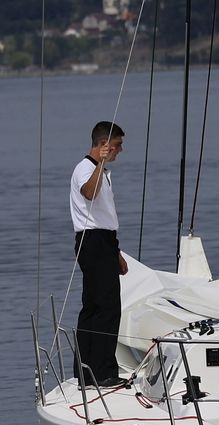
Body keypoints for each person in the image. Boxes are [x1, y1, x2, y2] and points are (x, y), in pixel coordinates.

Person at [71, 121, 129, 388]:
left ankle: (86, 370)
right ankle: (103, 372)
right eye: (117, 145)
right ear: (103, 145)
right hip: (91, 241)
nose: (120, 150)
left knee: (96, 305)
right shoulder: (85, 169)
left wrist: (115, 252)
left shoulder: (101, 171)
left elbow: (103, 216)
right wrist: (99, 165)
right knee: (105, 307)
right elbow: (89, 194)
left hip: (103, 242)